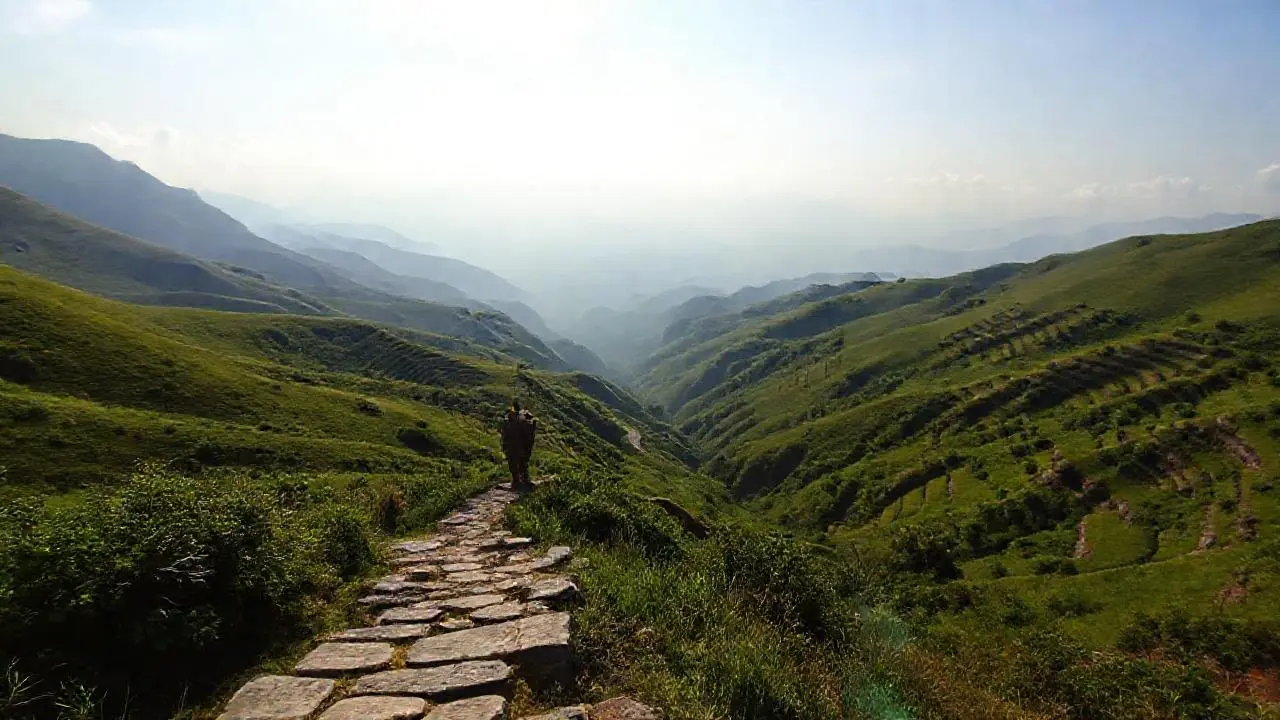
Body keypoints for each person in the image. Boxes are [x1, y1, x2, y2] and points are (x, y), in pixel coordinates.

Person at [500, 399, 537, 488]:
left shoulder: (511, 421)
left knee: (520, 463)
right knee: (518, 463)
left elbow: (504, 434)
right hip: (515, 445)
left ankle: (521, 480)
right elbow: (505, 434)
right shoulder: (519, 421)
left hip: (516, 445)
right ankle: (519, 480)